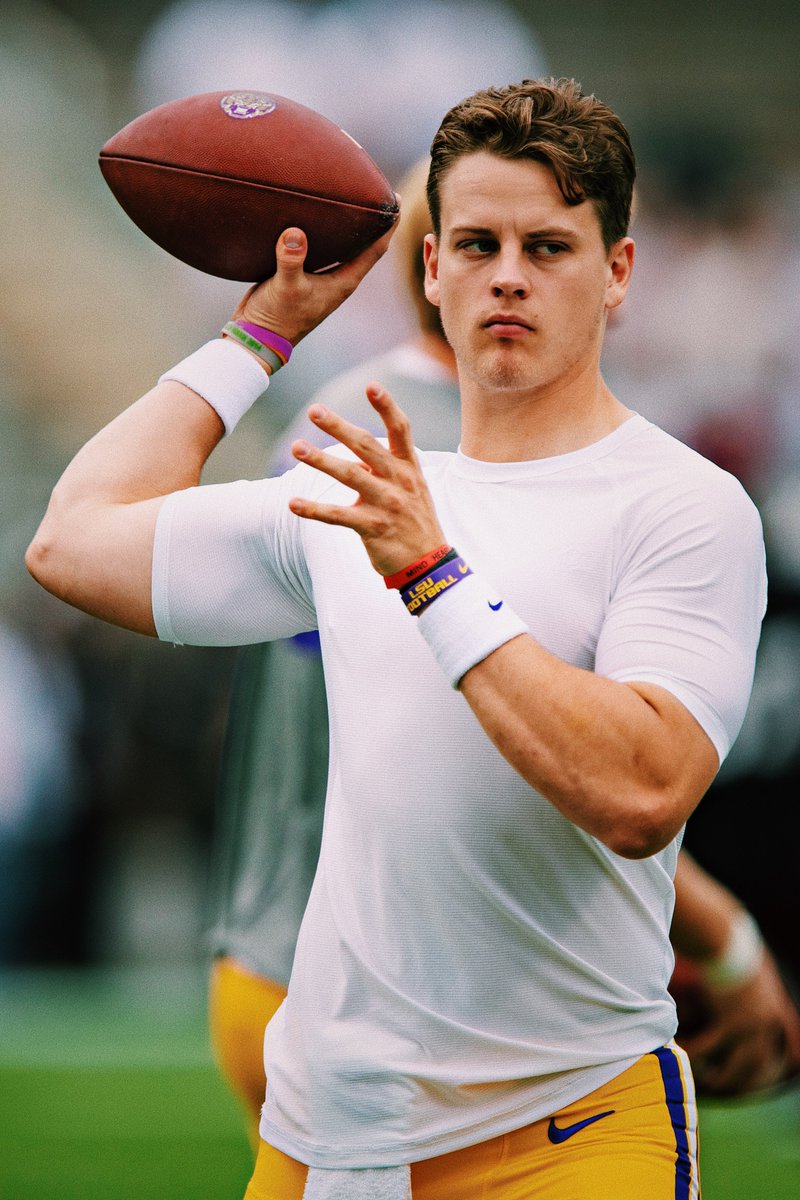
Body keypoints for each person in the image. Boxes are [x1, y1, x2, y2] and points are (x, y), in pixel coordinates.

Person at [27, 79, 767, 1199]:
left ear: (617, 272)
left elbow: (642, 792)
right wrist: (261, 335)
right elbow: (73, 542)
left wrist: (432, 575)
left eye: (547, 247)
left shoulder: (681, 504)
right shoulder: (364, 494)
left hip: (564, 1131)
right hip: (327, 1131)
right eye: (475, 244)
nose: (506, 275)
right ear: (430, 269)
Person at [205, 161, 800, 1145]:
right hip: (404, 999)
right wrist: (726, 943)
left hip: (274, 960)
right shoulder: (453, 448)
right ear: (438, 267)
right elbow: (547, 753)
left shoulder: (351, 408)